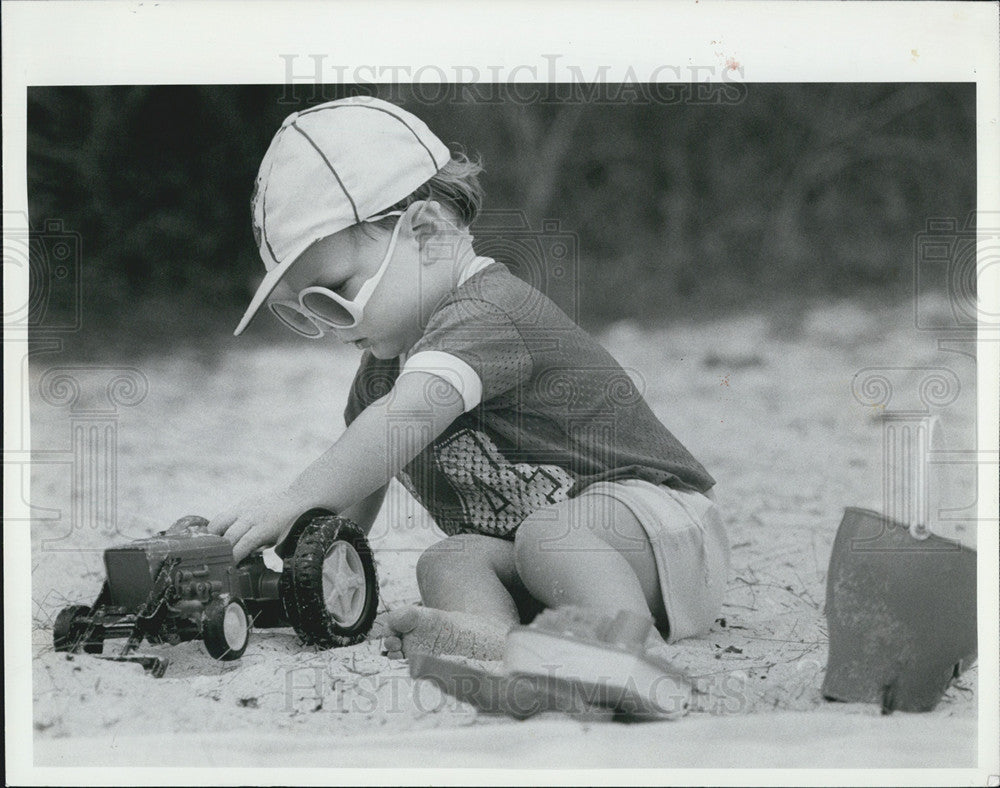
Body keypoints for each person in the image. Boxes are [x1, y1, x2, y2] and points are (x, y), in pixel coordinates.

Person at [208, 96, 730, 662]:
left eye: (335, 293)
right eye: (305, 311)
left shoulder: (487, 312)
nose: (330, 325)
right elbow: (345, 508)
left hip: (664, 532)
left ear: (427, 231)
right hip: (557, 567)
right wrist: (293, 572)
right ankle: (496, 637)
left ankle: (628, 653)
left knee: (544, 536)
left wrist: (292, 496)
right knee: (448, 558)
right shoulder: (379, 379)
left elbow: (399, 424)